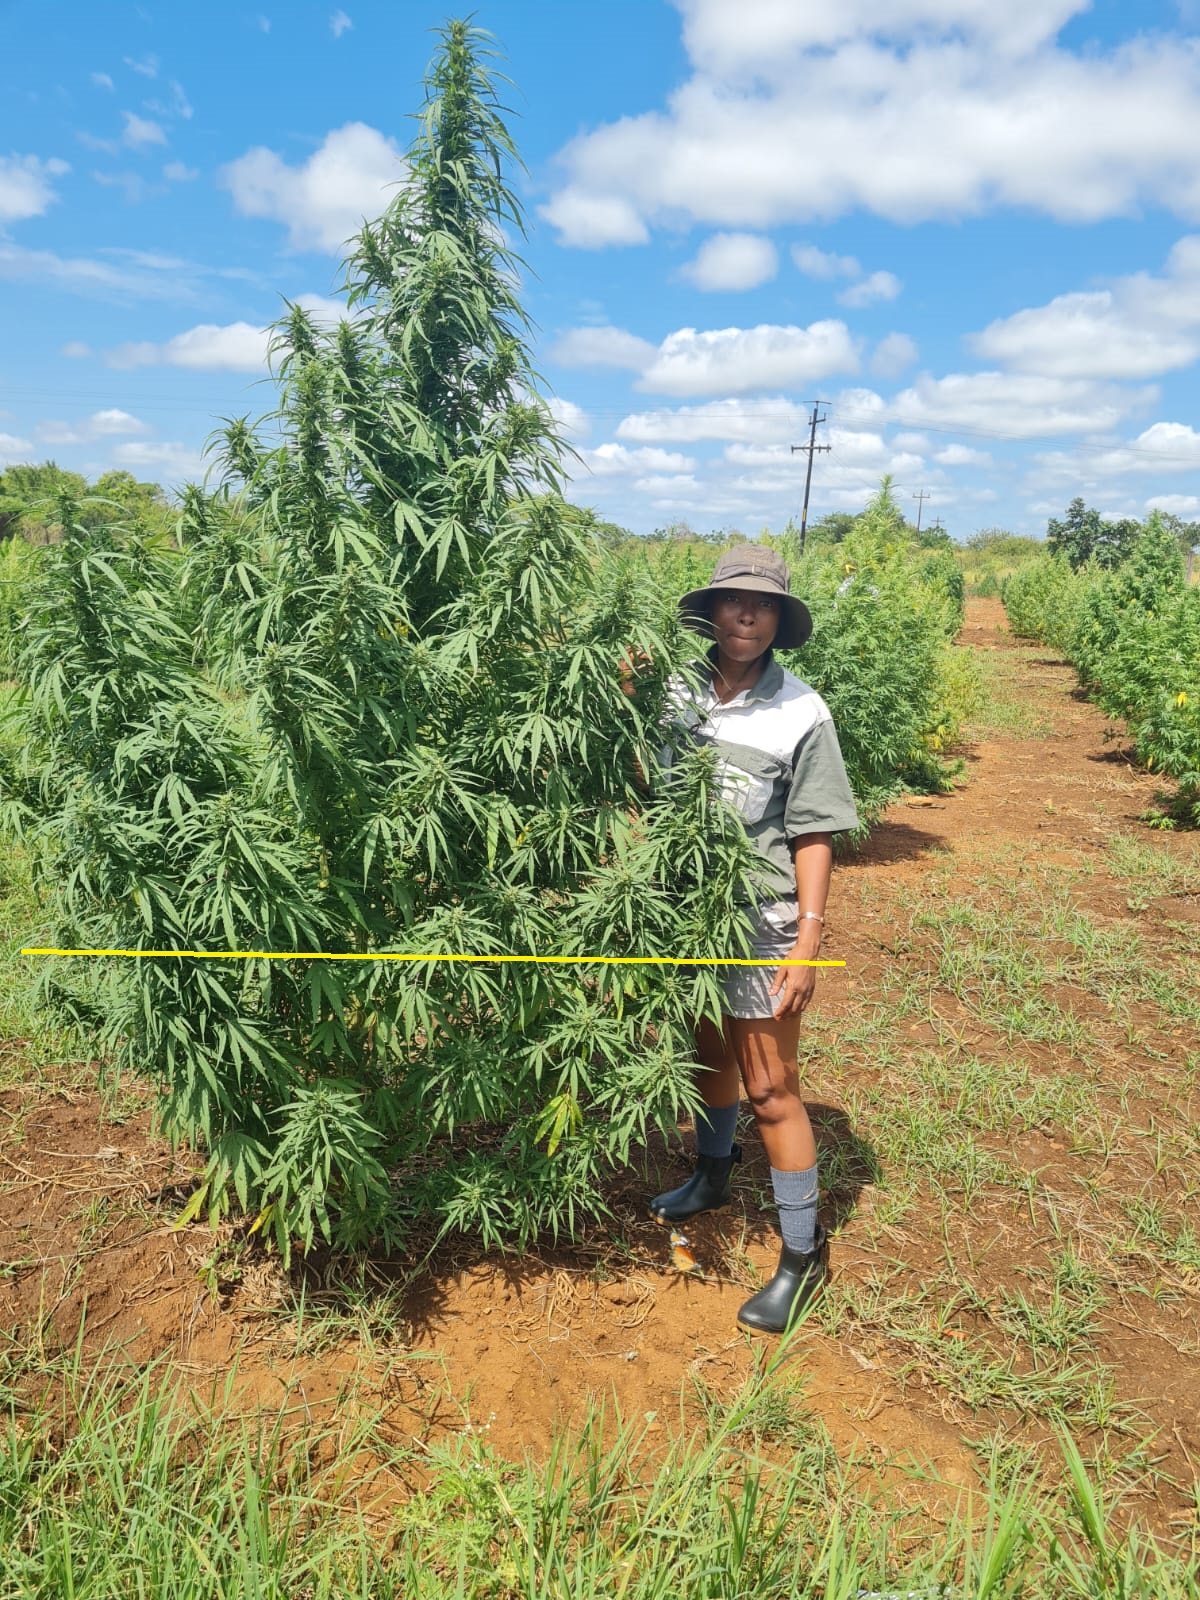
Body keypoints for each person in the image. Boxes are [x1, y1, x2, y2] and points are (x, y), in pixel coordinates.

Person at [635, 545, 859, 1334]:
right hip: (683, 909)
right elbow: (636, 774)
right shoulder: (671, 686)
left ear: (779, 621)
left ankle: (802, 1257)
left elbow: (815, 832)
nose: (748, 616)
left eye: (764, 605)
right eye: (735, 600)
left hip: (759, 917)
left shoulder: (802, 710)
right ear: (712, 610)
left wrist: (807, 942)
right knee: (708, 1051)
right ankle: (712, 1173)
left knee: (771, 1087)